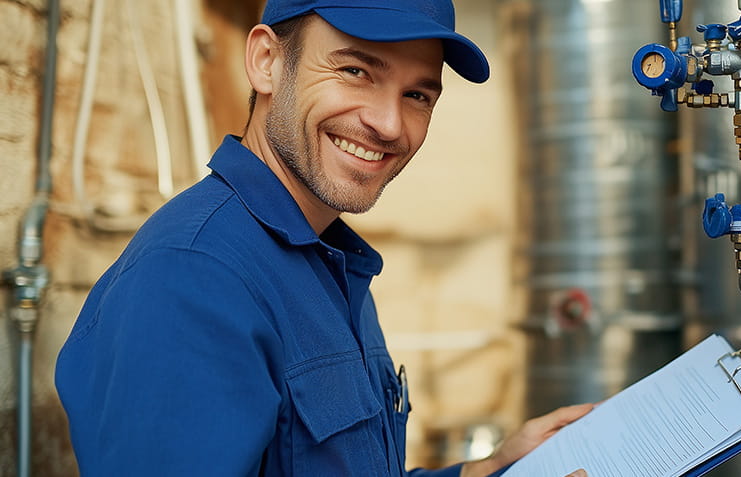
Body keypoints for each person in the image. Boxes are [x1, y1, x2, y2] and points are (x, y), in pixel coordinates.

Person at [54, 1, 591, 475]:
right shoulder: (192, 280)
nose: (388, 124)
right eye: (355, 70)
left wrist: (488, 471)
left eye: (418, 95)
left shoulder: (331, 259)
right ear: (267, 62)